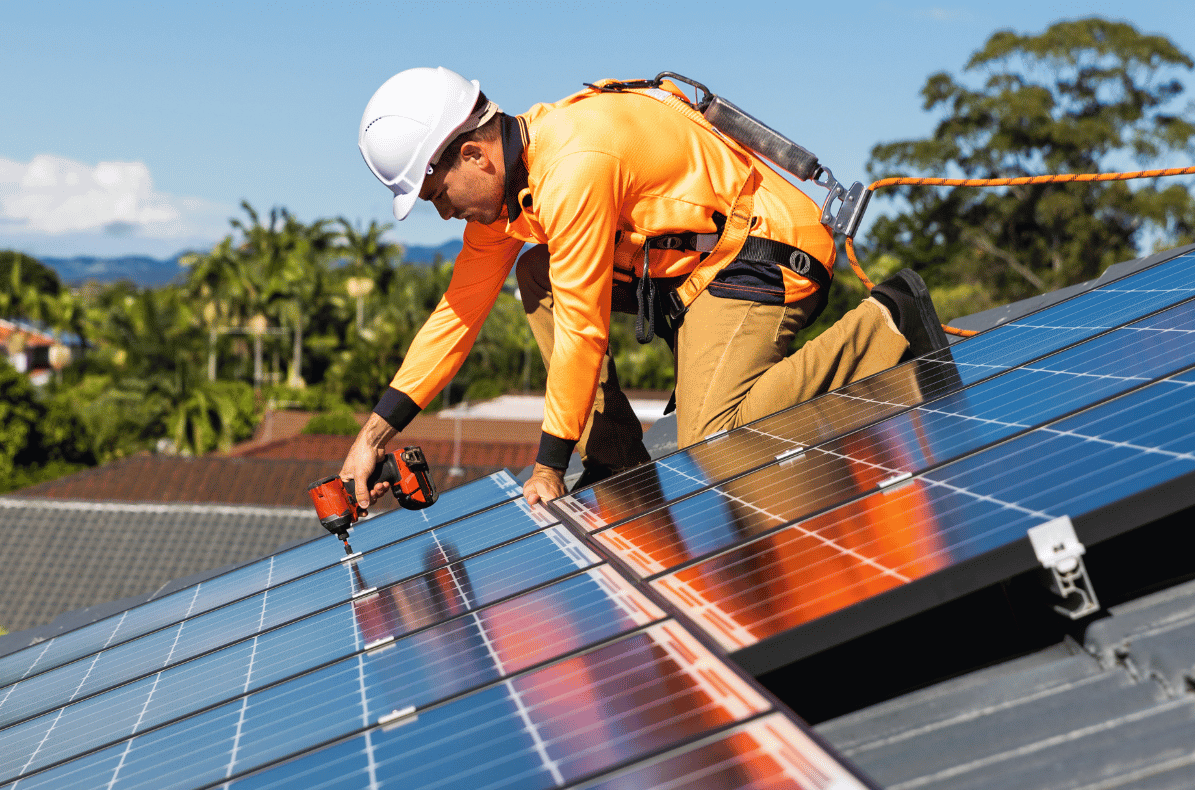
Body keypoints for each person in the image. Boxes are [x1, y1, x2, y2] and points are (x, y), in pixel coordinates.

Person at [338, 66, 945, 509]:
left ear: (476, 155)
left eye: (437, 194)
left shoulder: (574, 164)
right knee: (535, 272)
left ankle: (887, 321)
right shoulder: (508, 200)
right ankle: (616, 460)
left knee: (715, 437)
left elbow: (583, 325)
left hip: (762, 253)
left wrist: (549, 465)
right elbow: (457, 315)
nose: (442, 213)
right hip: (693, 276)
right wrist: (372, 437)